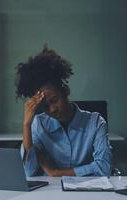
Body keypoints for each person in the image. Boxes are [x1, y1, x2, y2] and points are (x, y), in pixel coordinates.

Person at [15, 46, 112, 177]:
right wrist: (26, 124)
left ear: (65, 91)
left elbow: (104, 168)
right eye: (45, 106)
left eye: (54, 100)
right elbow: (29, 172)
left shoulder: (95, 123)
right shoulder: (38, 124)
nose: (52, 109)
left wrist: (56, 172)